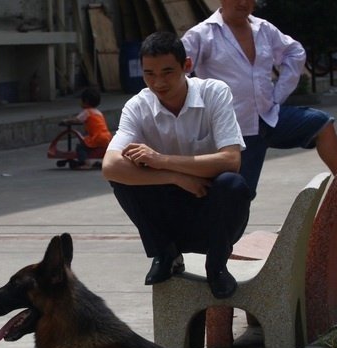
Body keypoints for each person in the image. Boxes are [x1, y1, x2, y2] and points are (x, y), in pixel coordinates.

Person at [101, 31, 252, 299]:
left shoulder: (214, 93)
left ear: (187, 66)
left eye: (168, 72)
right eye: (149, 74)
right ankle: (165, 254)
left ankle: (217, 266)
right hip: (168, 210)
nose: (158, 82)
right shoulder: (137, 106)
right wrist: (175, 177)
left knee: (232, 184)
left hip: (213, 211)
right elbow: (110, 166)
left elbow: (231, 160)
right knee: (123, 179)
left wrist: (161, 160)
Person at [182, 0, 337, 195]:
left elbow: (295, 52)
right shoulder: (201, 35)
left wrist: (278, 94)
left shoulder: (263, 29)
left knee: (322, 124)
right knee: (239, 194)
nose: (243, 3)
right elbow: (178, 72)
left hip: (270, 118)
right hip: (234, 130)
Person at [62, 87, 113, 170]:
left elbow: (77, 120)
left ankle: (86, 163)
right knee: (99, 149)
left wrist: (66, 121)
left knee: (81, 147)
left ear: (85, 101)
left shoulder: (87, 112)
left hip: (97, 136)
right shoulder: (98, 112)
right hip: (106, 136)